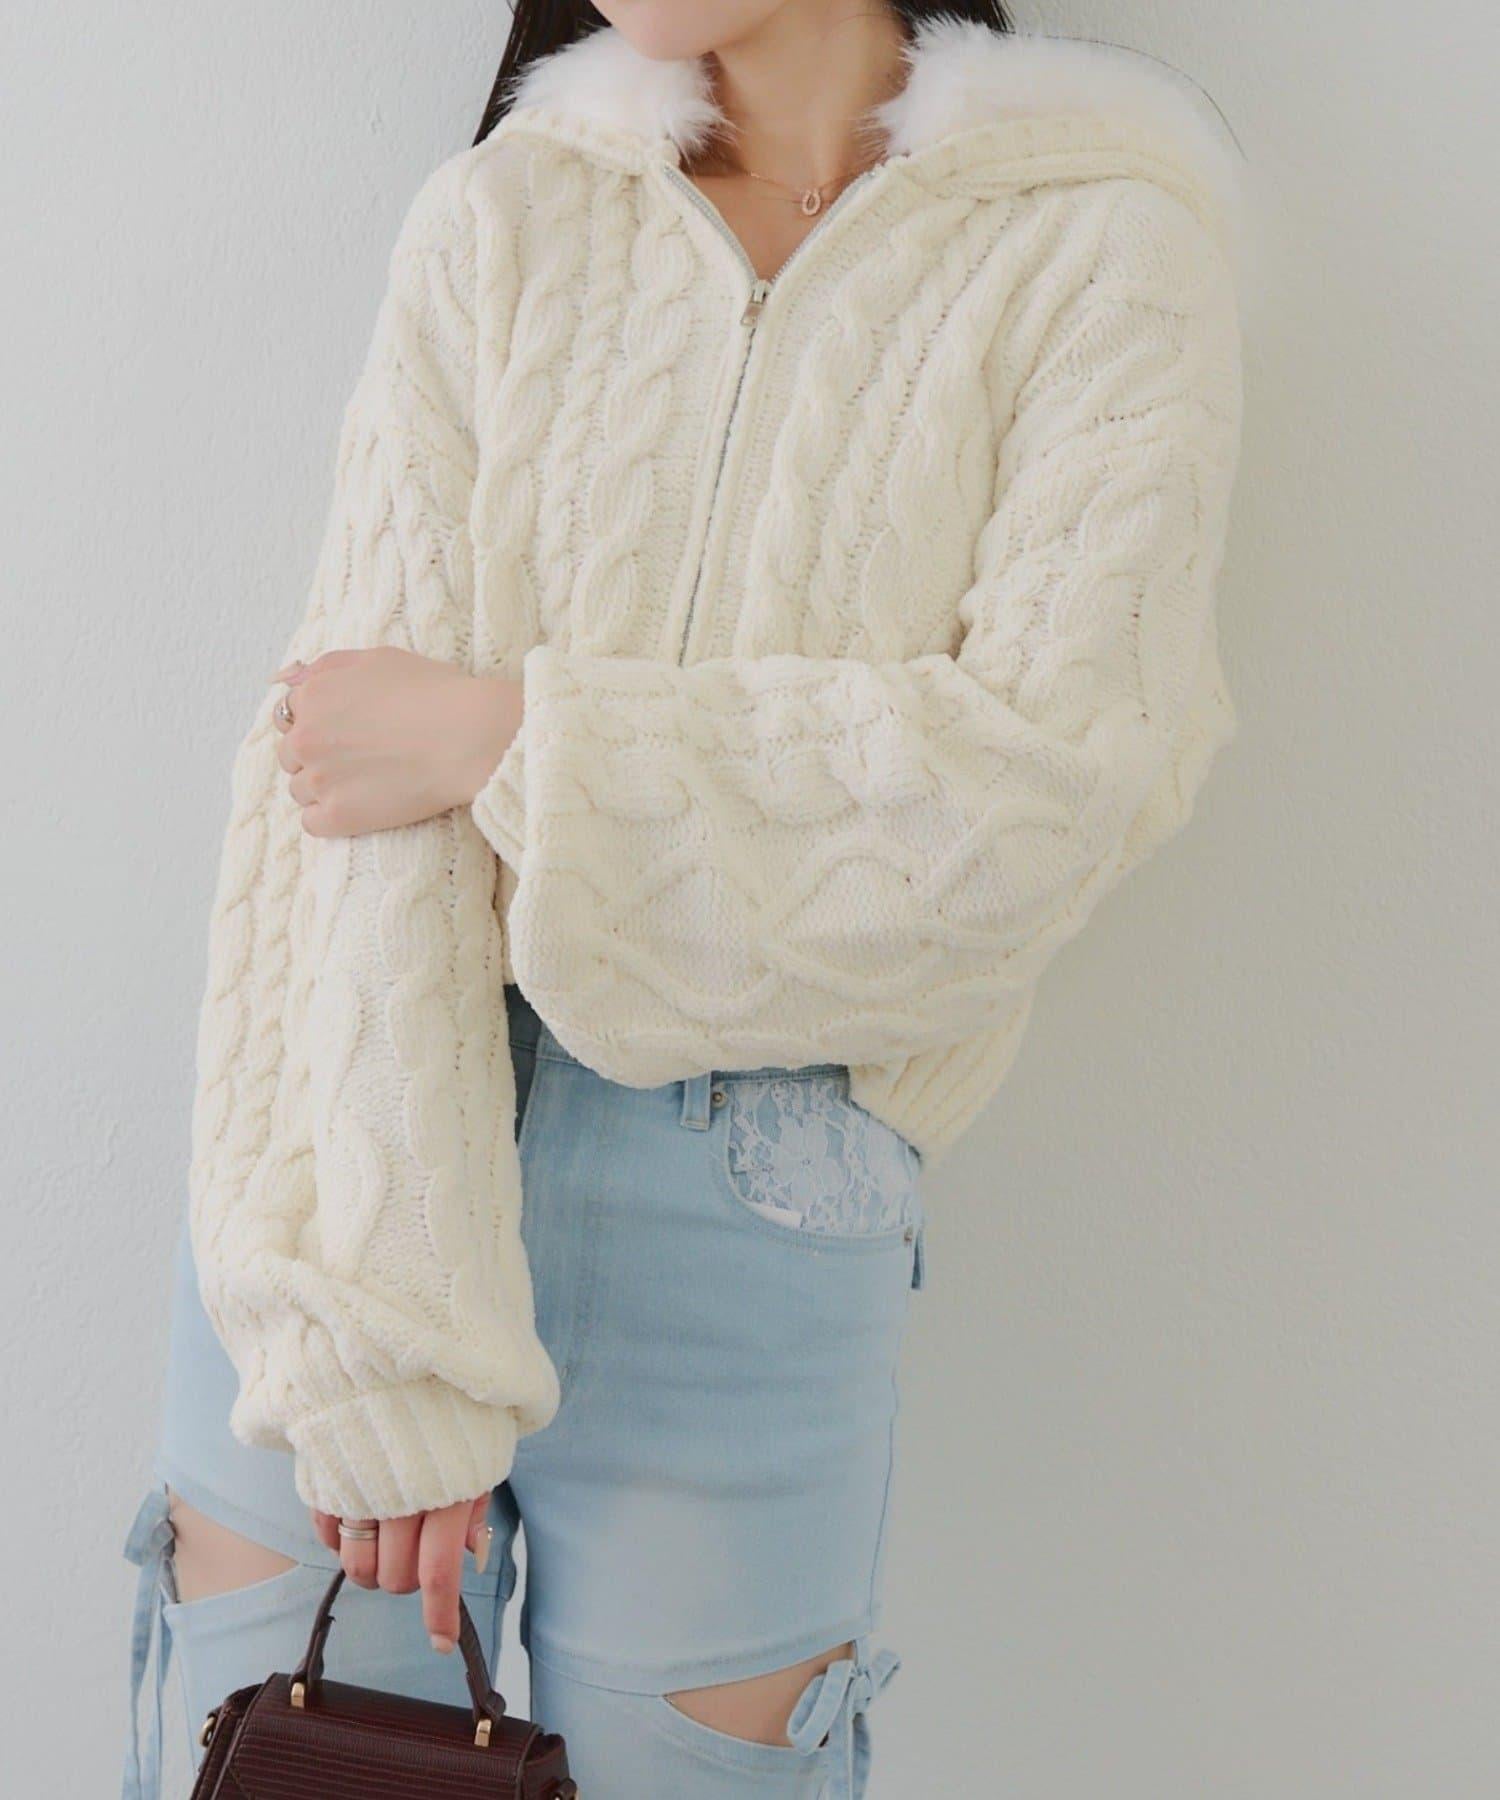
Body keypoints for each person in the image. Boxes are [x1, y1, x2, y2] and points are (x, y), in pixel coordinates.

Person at [119, 3, 1249, 1794]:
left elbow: (1040, 803)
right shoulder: (508, 210)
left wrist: (510, 739)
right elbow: (335, 769)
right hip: (348, 1151)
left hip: (754, 1209)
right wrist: (382, 1320)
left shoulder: (1105, 240)